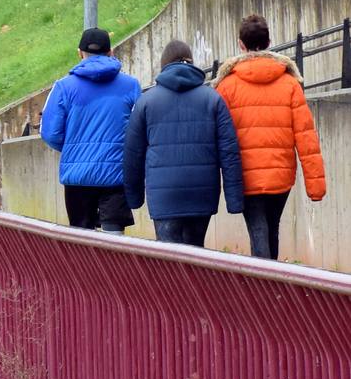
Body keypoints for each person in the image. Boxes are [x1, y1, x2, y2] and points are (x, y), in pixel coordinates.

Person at [214, 13, 326, 260]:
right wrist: (315, 185)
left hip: (245, 175)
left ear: (241, 44)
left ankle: (263, 288)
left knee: (258, 231)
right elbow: (306, 136)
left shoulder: (226, 86)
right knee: (271, 228)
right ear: (268, 42)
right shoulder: (289, 83)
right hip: (280, 174)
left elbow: (218, 136)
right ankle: (272, 285)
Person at [123, 40, 244, 247]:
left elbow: (132, 154)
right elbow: (229, 152)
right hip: (202, 193)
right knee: (195, 254)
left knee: (169, 262)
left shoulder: (146, 101)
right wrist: (235, 200)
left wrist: (134, 198)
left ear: (164, 65)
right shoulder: (213, 99)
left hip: (164, 195)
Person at [40, 26, 140, 234]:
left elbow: (50, 133)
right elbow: (139, 129)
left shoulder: (63, 87)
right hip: (116, 173)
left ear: (80, 53)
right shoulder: (131, 86)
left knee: (82, 242)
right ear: (111, 52)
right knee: (115, 240)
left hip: (77, 178)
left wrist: (74, 148)